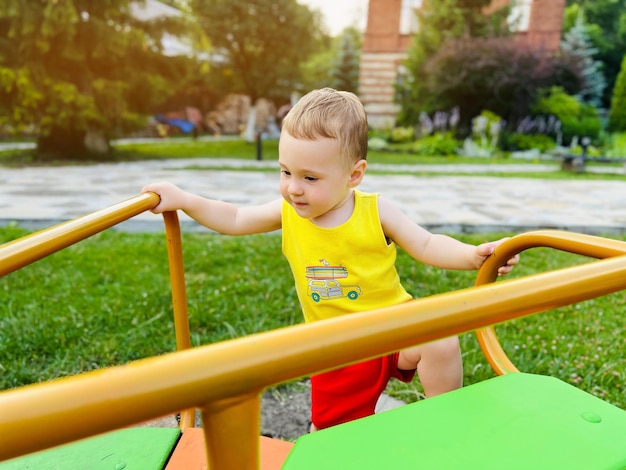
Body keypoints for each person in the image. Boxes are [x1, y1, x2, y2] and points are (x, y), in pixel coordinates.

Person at [142, 87, 519, 431]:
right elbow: (236, 218)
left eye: (310, 178)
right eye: (286, 171)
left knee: (441, 339)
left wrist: (473, 255)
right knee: (334, 436)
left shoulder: (376, 211)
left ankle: (446, 425)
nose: (293, 188)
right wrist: (186, 200)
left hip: (394, 329)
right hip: (338, 349)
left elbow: (427, 243)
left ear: (354, 175)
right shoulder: (287, 211)